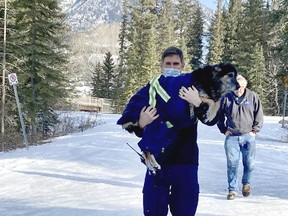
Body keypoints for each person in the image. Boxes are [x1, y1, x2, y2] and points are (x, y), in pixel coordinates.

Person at [118, 46, 219, 216]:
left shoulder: (192, 88)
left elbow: (211, 120)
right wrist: (140, 124)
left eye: (175, 64)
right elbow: (133, 120)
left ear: (182, 66)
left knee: (185, 212)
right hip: (157, 162)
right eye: (168, 64)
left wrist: (198, 103)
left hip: (185, 162)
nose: (171, 67)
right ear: (161, 65)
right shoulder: (152, 89)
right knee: (153, 211)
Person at [217, 75, 264, 200]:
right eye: (237, 87)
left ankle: (246, 184)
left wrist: (255, 130)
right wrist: (224, 130)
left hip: (248, 136)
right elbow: (219, 115)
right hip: (232, 136)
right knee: (232, 163)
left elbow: (259, 114)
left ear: (245, 86)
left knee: (249, 163)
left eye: (242, 87)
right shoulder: (226, 98)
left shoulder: (253, 96)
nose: (240, 89)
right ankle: (232, 190)